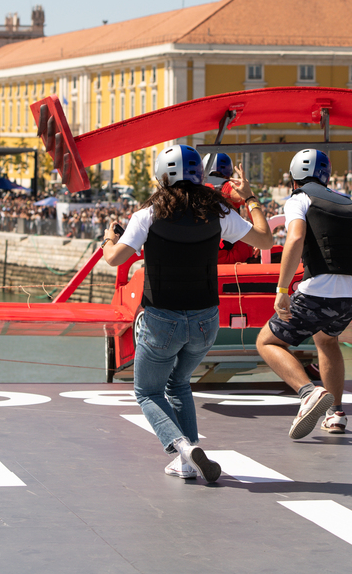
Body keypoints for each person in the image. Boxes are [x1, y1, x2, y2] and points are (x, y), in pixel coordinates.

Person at [102, 144, 273, 482]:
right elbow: (266, 240)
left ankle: (182, 446)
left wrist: (109, 240)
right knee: (179, 383)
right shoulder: (218, 212)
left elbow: (115, 259)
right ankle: (188, 460)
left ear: (161, 178)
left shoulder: (148, 214)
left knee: (147, 392)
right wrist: (251, 198)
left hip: (161, 320)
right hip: (206, 320)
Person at [256, 149, 352, 439]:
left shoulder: (299, 198)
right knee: (326, 339)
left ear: (294, 179)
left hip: (320, 289)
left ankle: (308, 393)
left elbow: (294, 238)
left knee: (267, 342)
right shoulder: (348, 205)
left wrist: (282, 290)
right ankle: (336, 414)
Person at [203, 152, 256, 264]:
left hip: (202, 251)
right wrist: (257, 229)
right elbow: (247, 197)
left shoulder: (196, 186)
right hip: (227, 252)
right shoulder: (226, 186)